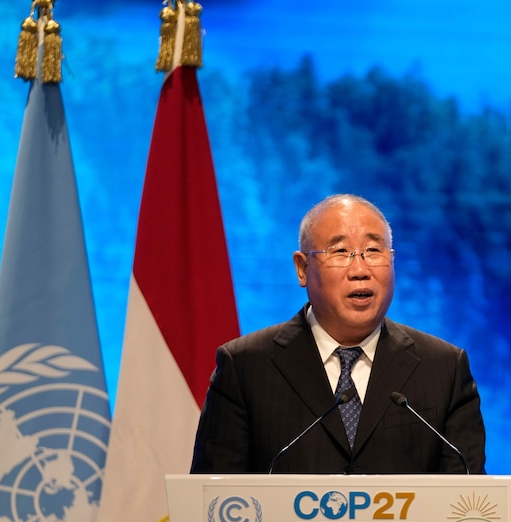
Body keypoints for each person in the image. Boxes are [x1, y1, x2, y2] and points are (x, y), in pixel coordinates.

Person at [191, 194, 486, 474]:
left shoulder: (444, 368)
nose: (360, 269)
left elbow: (468, 504)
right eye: (341, 252)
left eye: (373, 251)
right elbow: (213, 504)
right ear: (302, 269)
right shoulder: (245, 367)